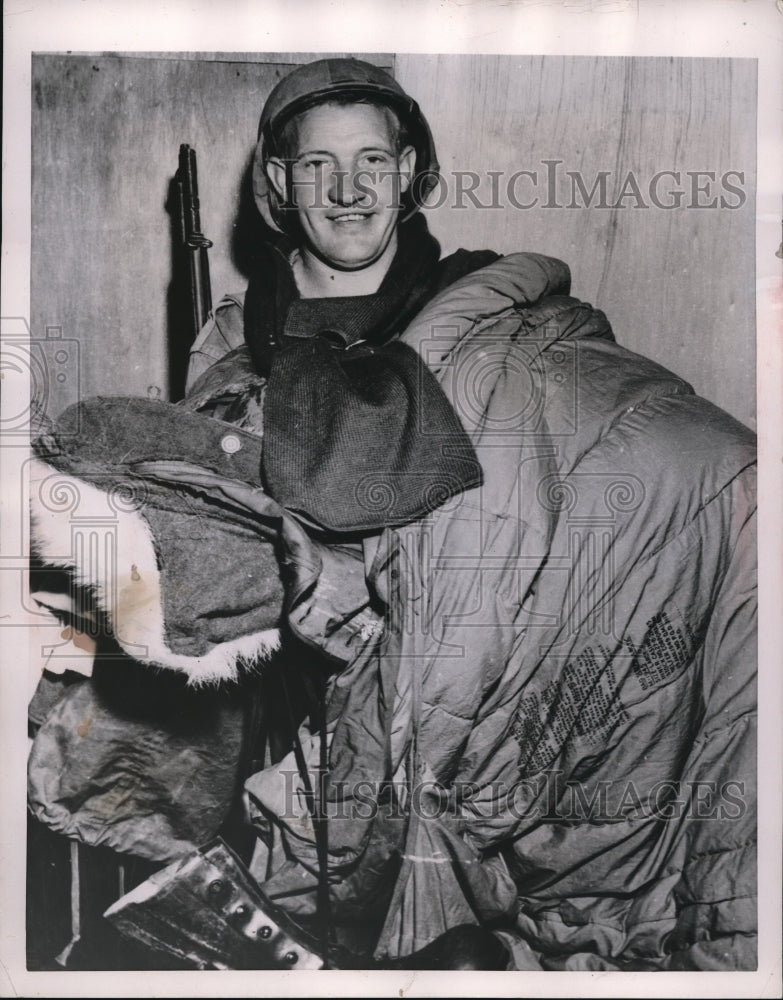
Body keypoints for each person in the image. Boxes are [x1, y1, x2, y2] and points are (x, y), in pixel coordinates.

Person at [28, 57, 757, 971]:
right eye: (317, 166)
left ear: (410, 173)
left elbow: (611, 437)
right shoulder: (234, 345)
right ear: (277, 184)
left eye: (372, 162)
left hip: (519, 638)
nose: (347, 191)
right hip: (327, 683)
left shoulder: (497, 310)